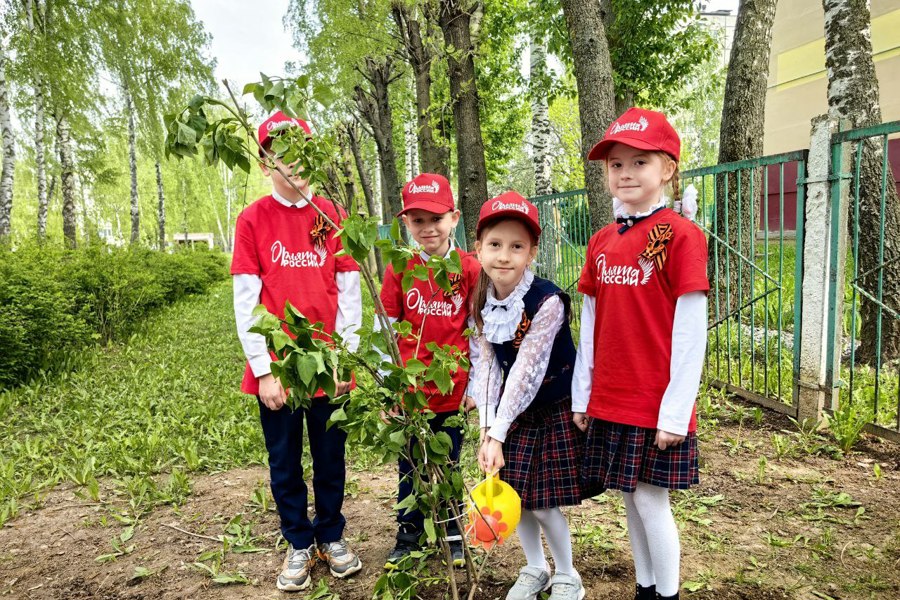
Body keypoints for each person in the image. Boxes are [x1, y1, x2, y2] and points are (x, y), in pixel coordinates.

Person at [573, 107, 709, 600]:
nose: (626, 173)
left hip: (655, 402)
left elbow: (692, 331)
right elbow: (589, 323)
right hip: (611, 396)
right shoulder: (602, 241)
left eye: (639, 162)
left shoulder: (682, 236)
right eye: (615, 164)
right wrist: (583, 394)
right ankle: (645, 588)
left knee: (653, 504)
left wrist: (675, 410)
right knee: (630, 500)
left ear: (667, 168)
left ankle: (666, 595)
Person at [231, 111, 363, 592]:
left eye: (301, 153)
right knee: (284, 457)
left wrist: (345, 357)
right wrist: (264, 370)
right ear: (265, 163)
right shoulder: (253, 220)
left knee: (331, 452)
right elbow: (247, 301)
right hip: (281, 368)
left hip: (327, 364)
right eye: (280, 156)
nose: (293, 164)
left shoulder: (331, 215)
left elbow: (349, 293)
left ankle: (331, 534)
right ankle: (298, 541)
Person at [470, 192, 587, 600]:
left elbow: (526, 372)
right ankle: (535, 567)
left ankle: (568, 575)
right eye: (495, 245)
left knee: (543, 501)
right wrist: (487, 427)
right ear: (478, 247)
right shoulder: (481, 299)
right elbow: (484, 365)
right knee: (515, 492)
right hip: (511, 411)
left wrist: (498, 431)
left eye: (517, 246)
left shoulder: (547, 301)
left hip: (551, 404)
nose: (504, 256)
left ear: (532, 252)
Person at [378, 173, 482, 569]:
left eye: (436, 219)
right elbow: (386, 332)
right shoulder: (400, 268)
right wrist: (391, 389)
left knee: (449, 462)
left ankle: (453, 531)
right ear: (406, 224)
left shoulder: (469, 269)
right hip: (410, 394)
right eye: (417, 220)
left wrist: (474, 385)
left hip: (452, 390)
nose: (428, 228)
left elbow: (476, 331)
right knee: (410, 464)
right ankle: (409, 532)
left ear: (454, 218)